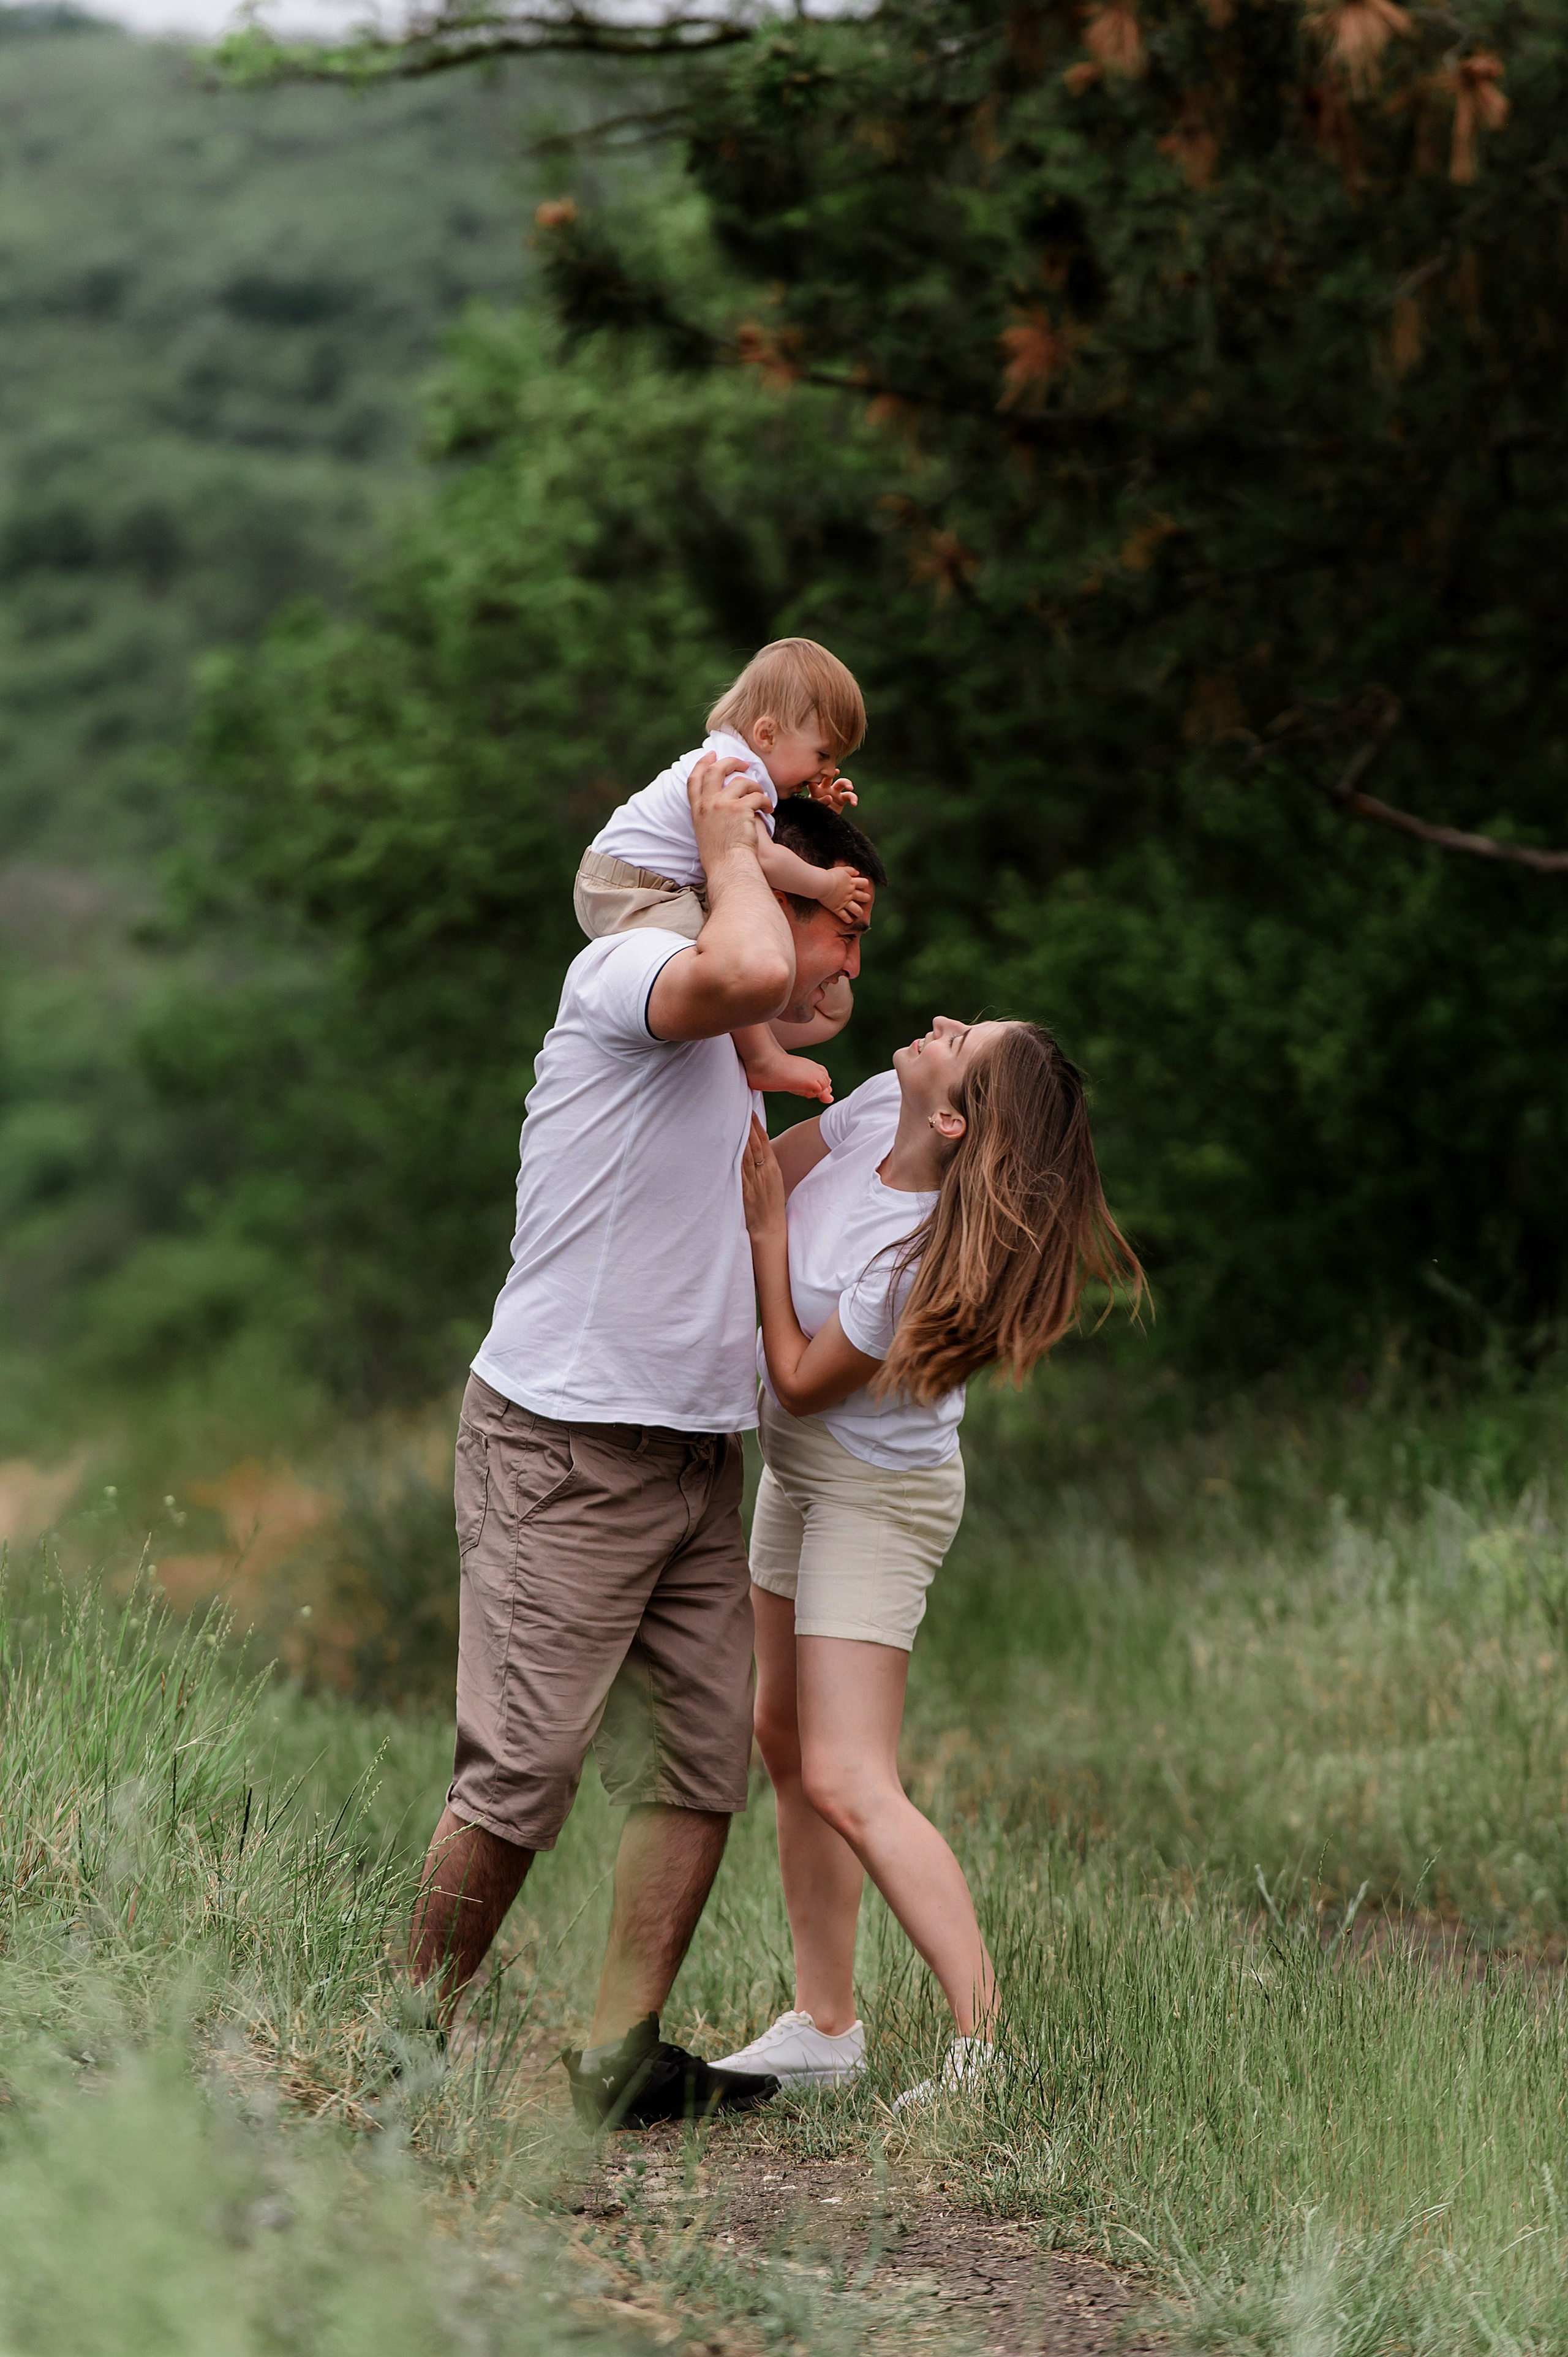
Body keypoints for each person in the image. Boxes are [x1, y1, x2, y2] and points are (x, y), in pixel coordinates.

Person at [407, 754, 886, 2130]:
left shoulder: (736, 1062)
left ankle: (620, 2056)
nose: (846, 952)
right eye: (833, 918)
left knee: (698, 1761)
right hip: (561, 1443)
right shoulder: (630, 971)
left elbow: (760, 1220)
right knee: (522, 1771)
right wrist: (739, 854)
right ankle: (399, 2044)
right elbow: (736, 966)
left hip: (691, 1456)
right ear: (747, 880)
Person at [714, 1019, 1144, 2103]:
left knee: (851, 1774)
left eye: (965, 1040)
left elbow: (805, 1376)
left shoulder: (910, 1261)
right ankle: (825, 2026)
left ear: (953, 1118)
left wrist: (769, 1242)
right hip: (804, 1471)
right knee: (781, 1731)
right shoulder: (869, 1108)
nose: (943, 1022)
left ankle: (985, 2045)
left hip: (874, 1491)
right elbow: (754, 1165)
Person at [575, 638, 870, 1103]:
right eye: (822, 756)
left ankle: (761, 1052)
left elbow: (767, 841)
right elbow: (763, 857)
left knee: (730, 934)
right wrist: (826, 885)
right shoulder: (735, 775)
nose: (826, 772)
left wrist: (816, 811)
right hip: (636, 887)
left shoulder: (743, 767)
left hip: (633, 880)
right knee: (727, 954)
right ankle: (763, 1058)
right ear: (768, 734)